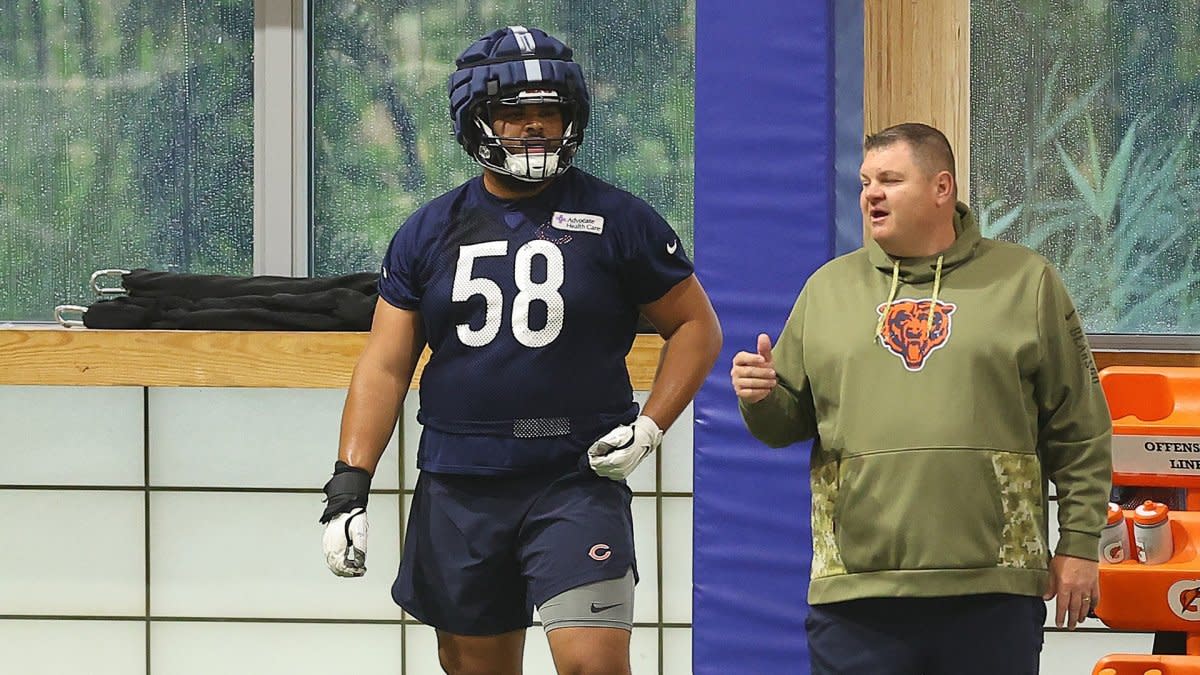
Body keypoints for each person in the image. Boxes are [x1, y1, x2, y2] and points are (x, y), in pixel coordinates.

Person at [318, 25, 721, 675]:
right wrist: (348, 484)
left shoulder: (621, 220)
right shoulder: (426, 232)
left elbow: (697, 326)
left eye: (548, 112)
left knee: (595, 663)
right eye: (514, 113)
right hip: (461, 484)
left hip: (577, 475)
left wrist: (650, 427)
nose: (534, 128)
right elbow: (386, 364)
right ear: (477, 119)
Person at [729, 122, 1112, 674]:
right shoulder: (828, 289)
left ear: (941, 188)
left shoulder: (1025, 282)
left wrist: (1079, 542)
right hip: (857, 591)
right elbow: (784, 424)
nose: (871, 194)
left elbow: (1079, 427)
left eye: (889, 179)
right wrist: (760, 396)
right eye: (865, 182)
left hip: (994, 585)